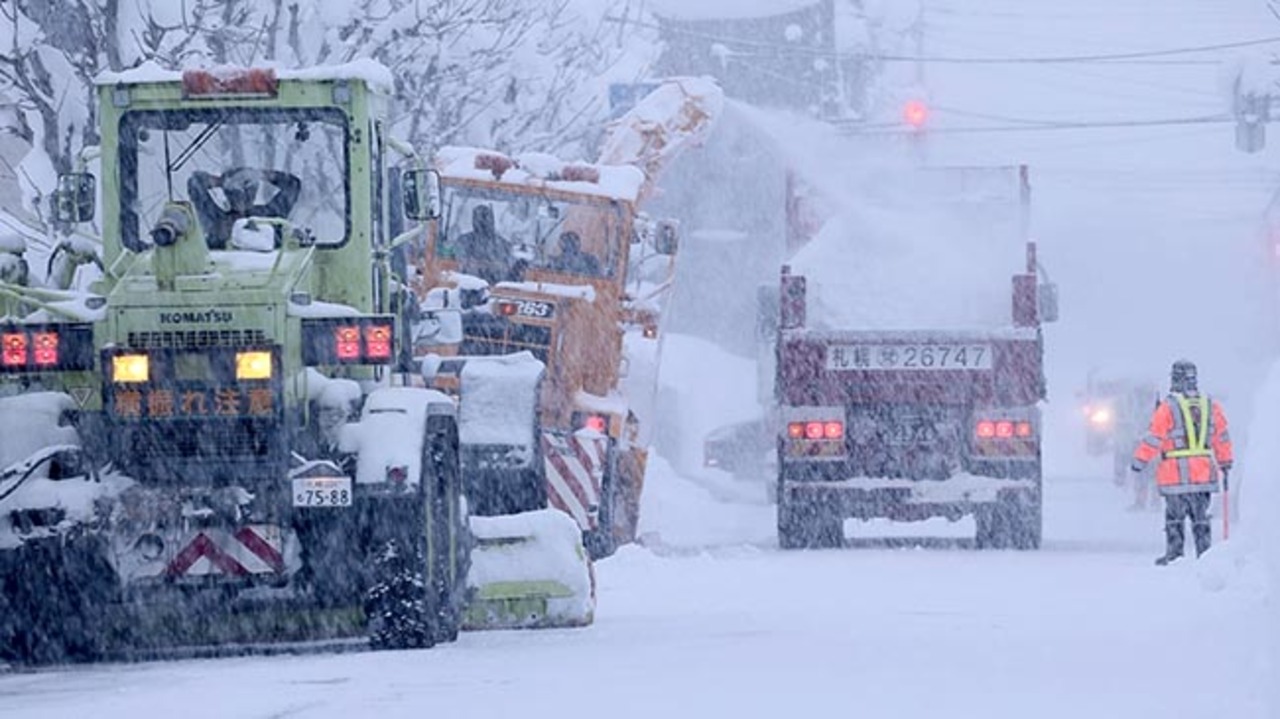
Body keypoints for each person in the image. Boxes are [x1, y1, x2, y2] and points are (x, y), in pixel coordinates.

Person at [1130, 360, 1233, 565]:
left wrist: (1139, 460)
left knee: (1175, 518)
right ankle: (1205, 556)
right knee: (1201, 518)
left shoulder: (1168, 407)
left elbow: (1154, 438)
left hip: (1175, 475)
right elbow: (1221, 437)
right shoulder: (1210, 405)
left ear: (1175, 379)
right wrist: (1225, 462)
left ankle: (1175, 554)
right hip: (1203, 474)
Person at [188, 167, 301, 250]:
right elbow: (195, 184)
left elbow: (293, 185)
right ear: (227, 193)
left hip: (272, 271)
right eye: (234, 192)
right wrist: (222, 181)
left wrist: (261, 174)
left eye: (249, 191)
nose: (242, 196)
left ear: (254, 194)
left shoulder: (270, 215)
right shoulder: (216, 218)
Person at [455, 204, 515, 283]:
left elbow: (509, 270)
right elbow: (457, 263)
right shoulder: (464, 241)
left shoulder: (504, 245)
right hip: (466, 286)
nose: (482, 222)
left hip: (496, 289)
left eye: (485, 218)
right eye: (479, 218)